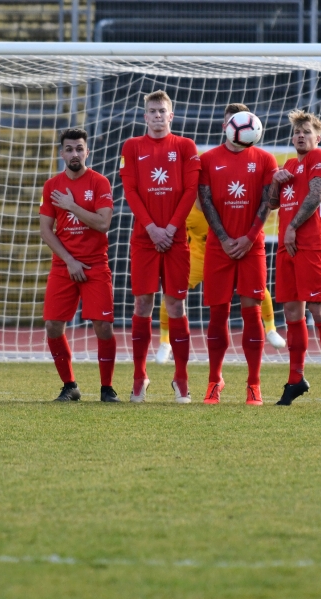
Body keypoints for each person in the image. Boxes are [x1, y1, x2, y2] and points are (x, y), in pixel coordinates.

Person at [120, 90, 201, 403]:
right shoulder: (132, 146)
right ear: (145, 116)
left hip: (176, 238)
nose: (156, 116)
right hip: (145, 239)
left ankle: (181, 378)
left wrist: (169, 228)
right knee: (142, 305)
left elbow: (191, 190)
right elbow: (130, 190)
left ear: (171, 115)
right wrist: (153, 228)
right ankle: (140, 376)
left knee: (176, 306)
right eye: (151, 111)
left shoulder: (185, 146)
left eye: (161, 111)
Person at [196, 103, 279, 405]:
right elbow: (205, 201)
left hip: (252, 246)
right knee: (218, 314)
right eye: (231, 120)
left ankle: (254, 384)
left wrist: (248, 237)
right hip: (219, 247)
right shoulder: (207, 160)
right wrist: (224, 238)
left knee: (251, 312)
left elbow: (268, 201)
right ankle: (214, 380)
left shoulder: (266, 159)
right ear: (226, 125)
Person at [154, 199, 286, 364]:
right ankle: (165, 342)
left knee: (256, 288)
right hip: (198, 258)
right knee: (172, 292)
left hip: (225, 255)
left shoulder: (221, 204)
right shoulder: (186, 210)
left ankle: (271, 328)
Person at [269, 110, 321, 407]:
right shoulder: (288, 165)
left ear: (318, 137)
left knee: (317, 309)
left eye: (307, 131)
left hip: (311, 245)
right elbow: (272, 203)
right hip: (287, 249)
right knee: (291, 313)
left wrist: (293, 228)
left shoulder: (319, 157)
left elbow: (316, 195)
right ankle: (295, 379)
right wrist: (276, 180)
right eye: (297, 132)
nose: (301, 135)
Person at [39, 128, 117, 402]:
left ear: (87, 151)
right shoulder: (51, 186)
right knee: (52, 326)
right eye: (69, 149)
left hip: (96, 264)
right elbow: (46, 230)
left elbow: (103, 223)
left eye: (79, 148)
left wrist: (72, 206)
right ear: (62, 153)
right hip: (64, 266)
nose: (75, 154)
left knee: (103, 327)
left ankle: (107, 389)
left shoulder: (100, 183)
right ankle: (69, 385)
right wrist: (69, 260)